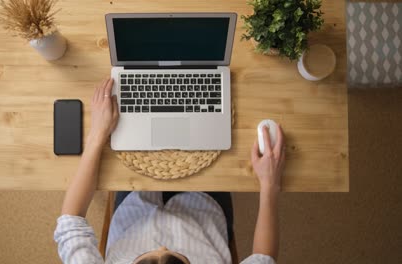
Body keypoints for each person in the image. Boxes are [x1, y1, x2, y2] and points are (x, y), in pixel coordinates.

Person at [54, 77, 286, 264]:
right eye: (178, 257)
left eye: (145, 258)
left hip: (135, 207)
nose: (162, 246)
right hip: (204, 209)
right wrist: (269, 186)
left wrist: (97, 133)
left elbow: (70, 220)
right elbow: (264, 258)